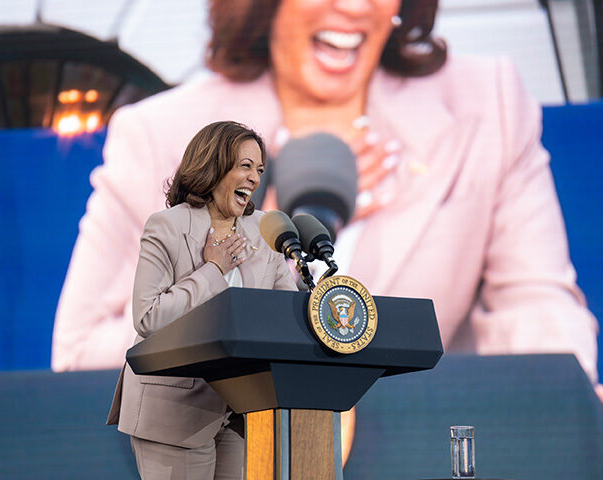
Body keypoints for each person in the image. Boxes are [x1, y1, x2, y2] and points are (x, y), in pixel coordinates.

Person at [53, 0, 600, 396]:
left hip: (418, 446)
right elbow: (79, 354)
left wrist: (562, 398)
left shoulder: (489, 103)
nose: (353, 6)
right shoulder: (159, 133)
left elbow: (536, 305)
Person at [105, 121, 297, 479]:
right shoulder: (167, 226)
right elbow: (149, 318)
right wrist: (212, 269)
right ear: (214, 164)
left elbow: (284, 310)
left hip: (239, 408)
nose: (254, 178)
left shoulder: (264, 230)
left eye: (259, 169)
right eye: (244, 166)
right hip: (174, 409)